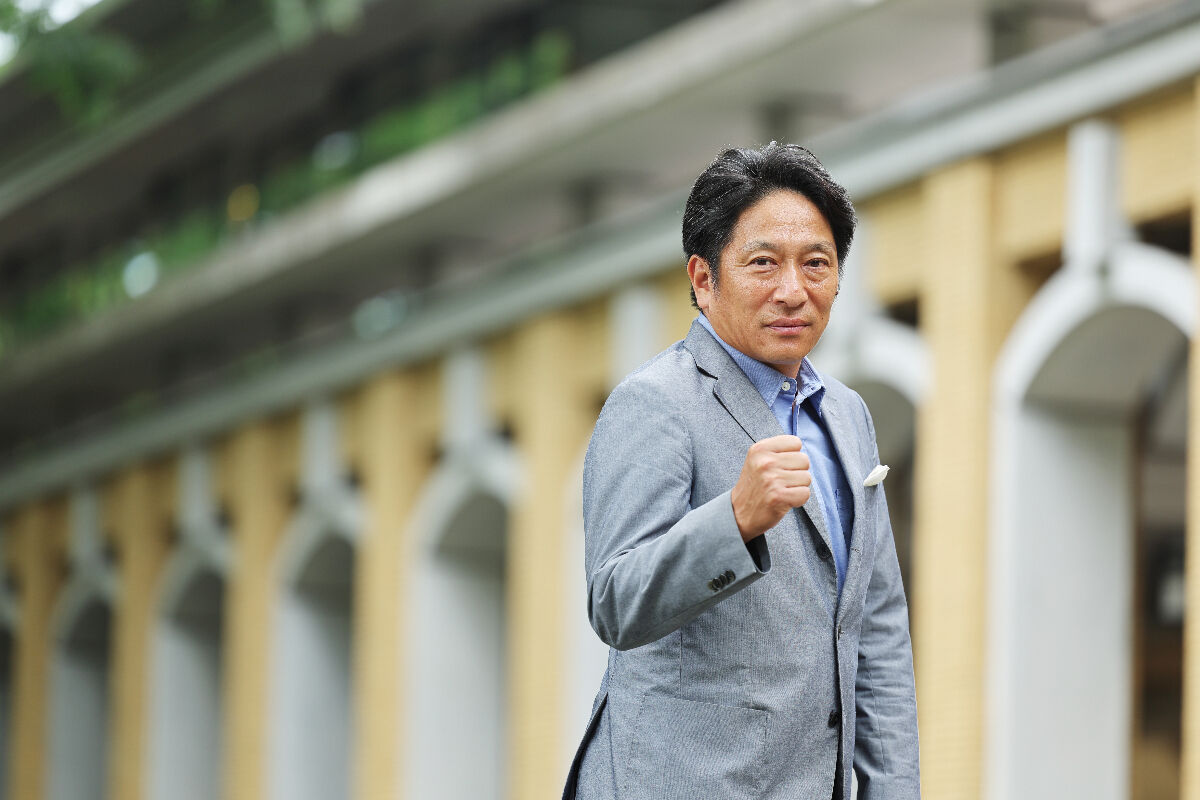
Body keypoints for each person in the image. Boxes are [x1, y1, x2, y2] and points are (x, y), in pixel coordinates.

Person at [561, 142, 920, 800]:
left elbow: (876, 625)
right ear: (703, 280)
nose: (793, 290)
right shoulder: (654, 403)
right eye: (763, 263)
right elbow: (614, 602)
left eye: (816, 263)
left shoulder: (848, 415)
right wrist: (735, 521)